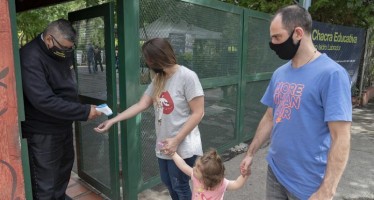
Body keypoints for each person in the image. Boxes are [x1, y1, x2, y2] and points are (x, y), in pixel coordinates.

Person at [240, 5, 352, 200]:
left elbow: (341, 137)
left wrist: (327, 191)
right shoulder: (279, 73)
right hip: (275, 172)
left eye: (277, 37)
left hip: (308, 185)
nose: (273, 44)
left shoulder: (332, 74)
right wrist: (250, 153)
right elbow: (269, 117)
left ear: (298, 33)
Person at [95, 37, 205, 199]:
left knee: (180, 186)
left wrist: (176, 140)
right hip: (164, 143)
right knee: (168, 182)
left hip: (183, 144)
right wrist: (113, 120)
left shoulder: (187, 76)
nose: (146, 61)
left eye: (147, 58)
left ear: (156, 57)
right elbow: (141, 105)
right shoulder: (158, 79)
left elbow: (198, 113)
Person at [20, 19, 102, 200]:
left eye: (70, 49)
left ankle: (59, 197)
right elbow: (43, 101)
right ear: (49, 39)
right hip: (42, 131)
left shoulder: (62, 52)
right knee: (45, 179)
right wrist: (84, 111)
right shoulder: (29, 57)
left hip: (62, 124)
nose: (67, 53)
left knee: (64, 167)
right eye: (64, 48)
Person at [170, 148, 248, 200]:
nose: (193, 169)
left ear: (206, 177)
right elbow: (183, 165)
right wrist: (173, 154)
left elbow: (236, 184)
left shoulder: (221, 184)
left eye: (197, 169)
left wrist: (245, 175)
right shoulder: (196, 176)